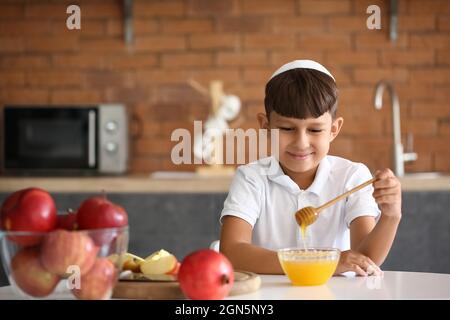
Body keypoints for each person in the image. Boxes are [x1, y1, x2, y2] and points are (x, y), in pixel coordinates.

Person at [219, 60, 402, 276]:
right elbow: (232, 252)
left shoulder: (352, 176)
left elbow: (364, 260)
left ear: (334, 129)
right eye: (287, 128)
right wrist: (322, 262)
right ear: (266, 127)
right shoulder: (251, 178)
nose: (301, 142)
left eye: (315, 130)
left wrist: (391, 216)